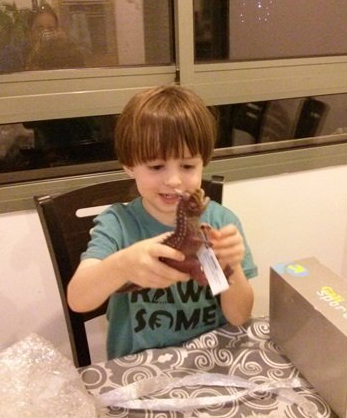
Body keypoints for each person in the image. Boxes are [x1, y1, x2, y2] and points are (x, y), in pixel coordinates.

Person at [67, 85, 257, 360]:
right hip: (140, 365)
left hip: (207, 358)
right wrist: (122, 265)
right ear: (129, 165)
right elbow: (78, 300)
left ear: (203, 162)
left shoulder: (218, 222)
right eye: (156, 167)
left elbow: (239, 317)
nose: (173, 180)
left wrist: (231, 266)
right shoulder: (118, 225)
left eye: (188, 166)